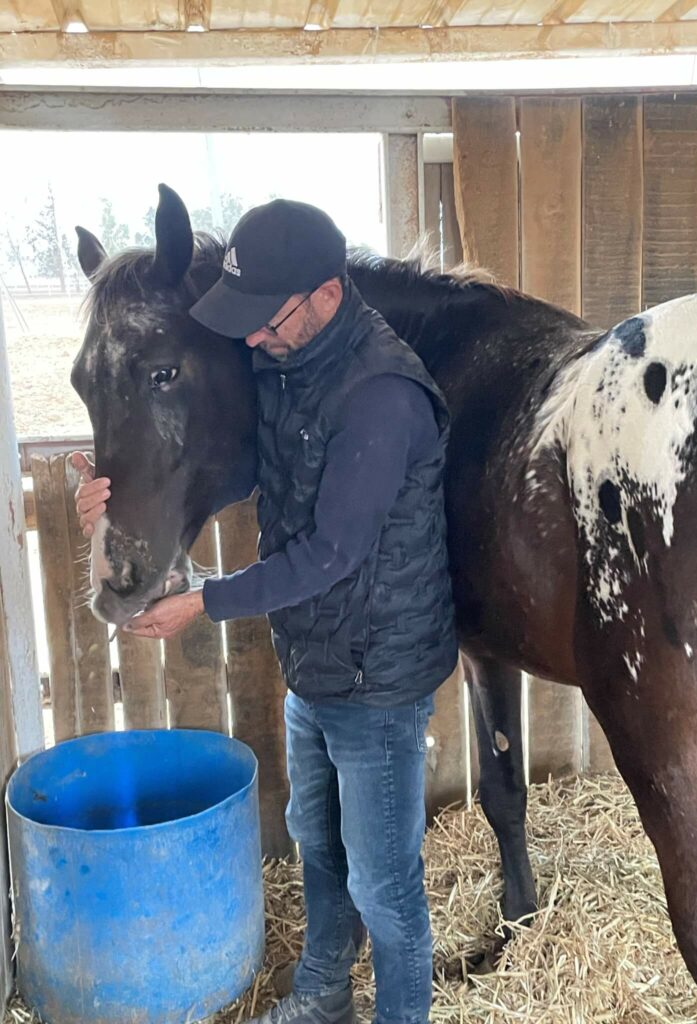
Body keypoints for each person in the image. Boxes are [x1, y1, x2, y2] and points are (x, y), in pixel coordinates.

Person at [74, 199, 457, 1024]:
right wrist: (116, 506)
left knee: (385, 889)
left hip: (378, 681)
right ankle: (323, 998)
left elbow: (331, 554)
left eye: (266, 319)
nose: (251, 338)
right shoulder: (293, 368)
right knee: (318, 849)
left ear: (326, 294)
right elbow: (244, 469)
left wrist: (202, 601)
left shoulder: (382, 396)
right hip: (317, 664)